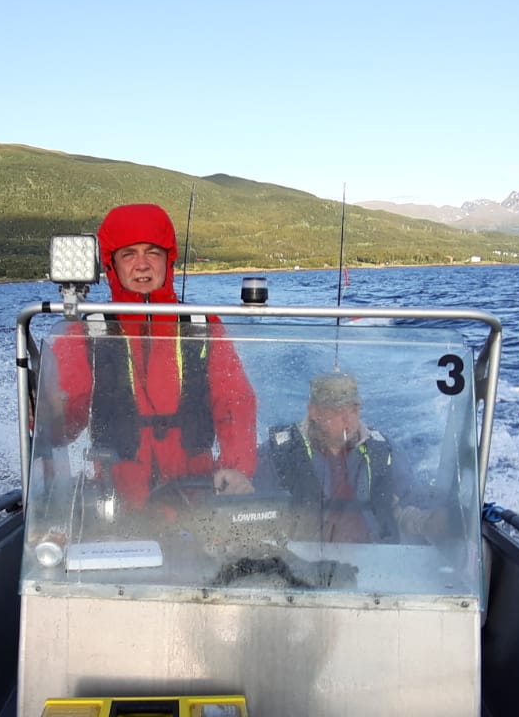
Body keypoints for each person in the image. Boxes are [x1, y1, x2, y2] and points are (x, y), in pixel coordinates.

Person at [47, 203, 257, 509]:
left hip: (196, 492)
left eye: (153, 253)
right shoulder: (85, 332)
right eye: (129, 254)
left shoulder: (202, 324)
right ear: (112, 265)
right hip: (117, 497)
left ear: (168, 260)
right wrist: (48, 410)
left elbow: (234, 402)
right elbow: (63, 422)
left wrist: (237, 468)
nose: (142, 265)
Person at [255, 371, 436, 543]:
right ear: (314, 412)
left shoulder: (383, 450)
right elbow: (257, 518)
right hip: (300, 558)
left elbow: (410, 505)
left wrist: (429, 523)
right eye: (337, 411)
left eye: (353, 410)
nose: (347, 419)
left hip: (375, 557)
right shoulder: (277, 454)